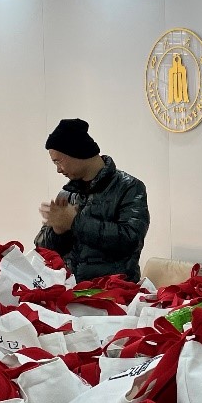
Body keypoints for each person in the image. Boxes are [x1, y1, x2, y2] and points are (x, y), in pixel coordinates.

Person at [34, 118, 150, 281]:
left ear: (76, 152)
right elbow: (42, 251)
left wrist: (75, 222)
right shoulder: (67, 194)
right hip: (71, 287)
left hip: (114, 289)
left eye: (58, 161)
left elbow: (130, 240)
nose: (58, 170)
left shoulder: (129, 187)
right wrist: (58, 232)